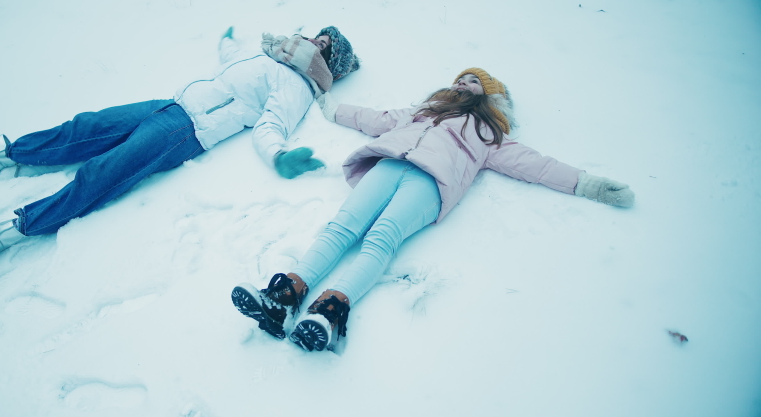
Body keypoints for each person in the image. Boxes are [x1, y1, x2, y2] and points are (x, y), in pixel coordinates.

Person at [231, 67, 635, 352]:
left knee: (381, 239)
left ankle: (329, 310)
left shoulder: (488, 133)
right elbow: (379, 119)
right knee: (341, 228)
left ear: (490, 94)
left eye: (473, 80)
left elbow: (535, 165)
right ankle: (285, 296)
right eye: (460, 77)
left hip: (429, 183)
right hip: (389, 164)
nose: (462, 82)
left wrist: (589, 183)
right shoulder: (425, 112)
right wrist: (333, 107)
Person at [0, 26, 360, 259]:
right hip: (169, 105)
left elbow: (269, 125)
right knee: (86, 126)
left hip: (185, 131)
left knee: (101, 173)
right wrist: (228, 44)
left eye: (325, 45)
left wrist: (280, 156)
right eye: (318, 35)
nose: (316, 41)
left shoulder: (297, 85)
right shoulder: (271, 57)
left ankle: (15, 230)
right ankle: (1, 154)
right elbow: (230, 66)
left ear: (329, 66)